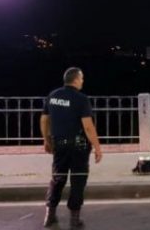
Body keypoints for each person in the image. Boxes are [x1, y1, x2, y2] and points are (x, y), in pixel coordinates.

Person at [41, 67, 103, 228]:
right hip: (78, 147)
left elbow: (44, 120)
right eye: (81, 78)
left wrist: (46, 139)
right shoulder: (81, 99)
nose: (82, 81)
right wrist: (97, 148)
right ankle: (74, 220)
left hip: (59, 145)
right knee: (78, 181)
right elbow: (88, 126)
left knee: (57, 179)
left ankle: (49, 215)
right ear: (76, 79)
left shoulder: (53, 96)